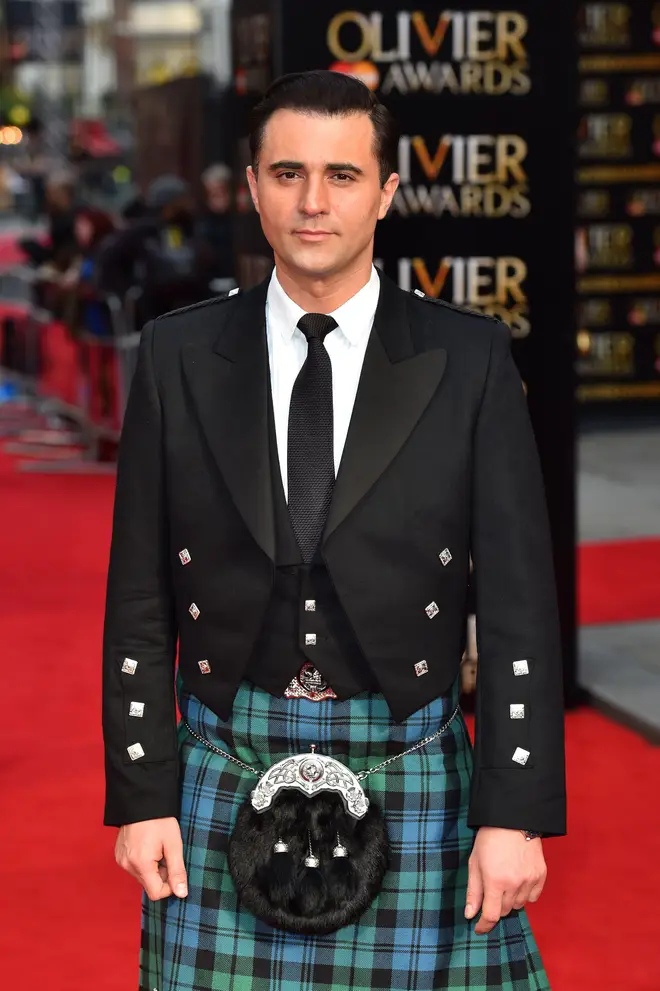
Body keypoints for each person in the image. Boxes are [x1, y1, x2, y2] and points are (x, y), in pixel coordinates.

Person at [103, 70, 566, 990]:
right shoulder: (178, 355)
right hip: (223, 758)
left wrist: (513, 812)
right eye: (287, 173)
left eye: (343, 176)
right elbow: (141, 596)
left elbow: (518, 603)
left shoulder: (466, 357)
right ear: (251, 187)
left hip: (413, 757)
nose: (313, 202)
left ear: (387, 192)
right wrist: (143, 792)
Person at [97, 174, 208, 322]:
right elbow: (110, 261)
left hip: (185, 297)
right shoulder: (144, 231)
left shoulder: (186, 227)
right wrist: (127, 293)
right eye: (183, 200)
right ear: (170, 204)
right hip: (152, 306)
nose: (189, 205)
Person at [196, 162, 234, 282]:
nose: (215, 200)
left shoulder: (237, 220)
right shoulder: (204, 221)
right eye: (211, 194)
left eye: (219, 193)